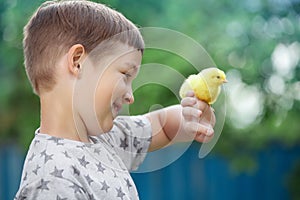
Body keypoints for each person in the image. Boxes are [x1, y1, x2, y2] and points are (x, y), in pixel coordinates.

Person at [15, 0, 216, 199]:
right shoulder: (51, 178)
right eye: (125, 75)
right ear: (78, 61)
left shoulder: (106, 139)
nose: (130, 95)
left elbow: (161, 126)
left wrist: (193, 116)